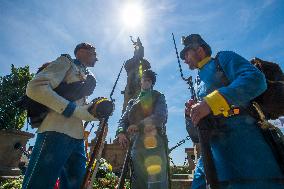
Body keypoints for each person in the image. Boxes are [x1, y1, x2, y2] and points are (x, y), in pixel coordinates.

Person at [180, 34, 284, 189]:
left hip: (246, 150)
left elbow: (256, 80)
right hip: (211, 153)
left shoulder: (223, 59)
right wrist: (193, 113)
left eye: (186, 53)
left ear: (200, 50)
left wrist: (210, 102)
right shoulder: (197, 81)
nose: (184, 59)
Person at [22, 43, 98, 189]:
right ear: (82, 51)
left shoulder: (87, 74)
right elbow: (35, 87)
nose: (97, 58)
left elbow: (78, 103)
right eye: (94, 53)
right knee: (39, 184)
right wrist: (74, 110)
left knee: (76, 185)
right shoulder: (66, 62)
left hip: (77, 137)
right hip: (55, 131)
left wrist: (92, 111)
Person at [116, 69, 169, 189]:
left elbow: (160, 116)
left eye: (149, 80)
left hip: (154, 143)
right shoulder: (131, 102)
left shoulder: (158, 96)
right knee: (138, 182)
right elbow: (123, 121)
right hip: (136, 144)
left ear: (152, 83)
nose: (146, 81)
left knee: (156, 182)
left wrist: (138, 126)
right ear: (140, 82)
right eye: (144, 79)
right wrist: (121, 133)